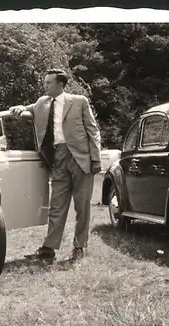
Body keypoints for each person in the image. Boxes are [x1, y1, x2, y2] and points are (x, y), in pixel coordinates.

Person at [9, 68, 101, 264]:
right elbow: (27, 108)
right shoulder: (42, 102)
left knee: (82, 206)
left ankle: (79, 247)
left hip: (80, 158)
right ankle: (48, 250)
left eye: (48, 82)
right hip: (57, 159)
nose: (45, 86)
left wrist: (96, 159)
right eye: (45, 83)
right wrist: (18, 107)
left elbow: (93, 131)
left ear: (60, 84)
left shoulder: (79, 101)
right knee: (56, 205)